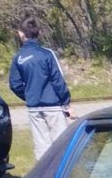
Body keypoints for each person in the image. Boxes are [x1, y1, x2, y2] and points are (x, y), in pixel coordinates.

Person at [7, 16, 72, 160]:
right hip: (53, 106)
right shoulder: (47, 54)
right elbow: (58, 80)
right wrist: (66, 103)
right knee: (61, 144)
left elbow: (15, 84)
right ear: (40, 33)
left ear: (21, 34)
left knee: (41, 146)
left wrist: (30, 95)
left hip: (34, 108)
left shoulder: (18, 57)